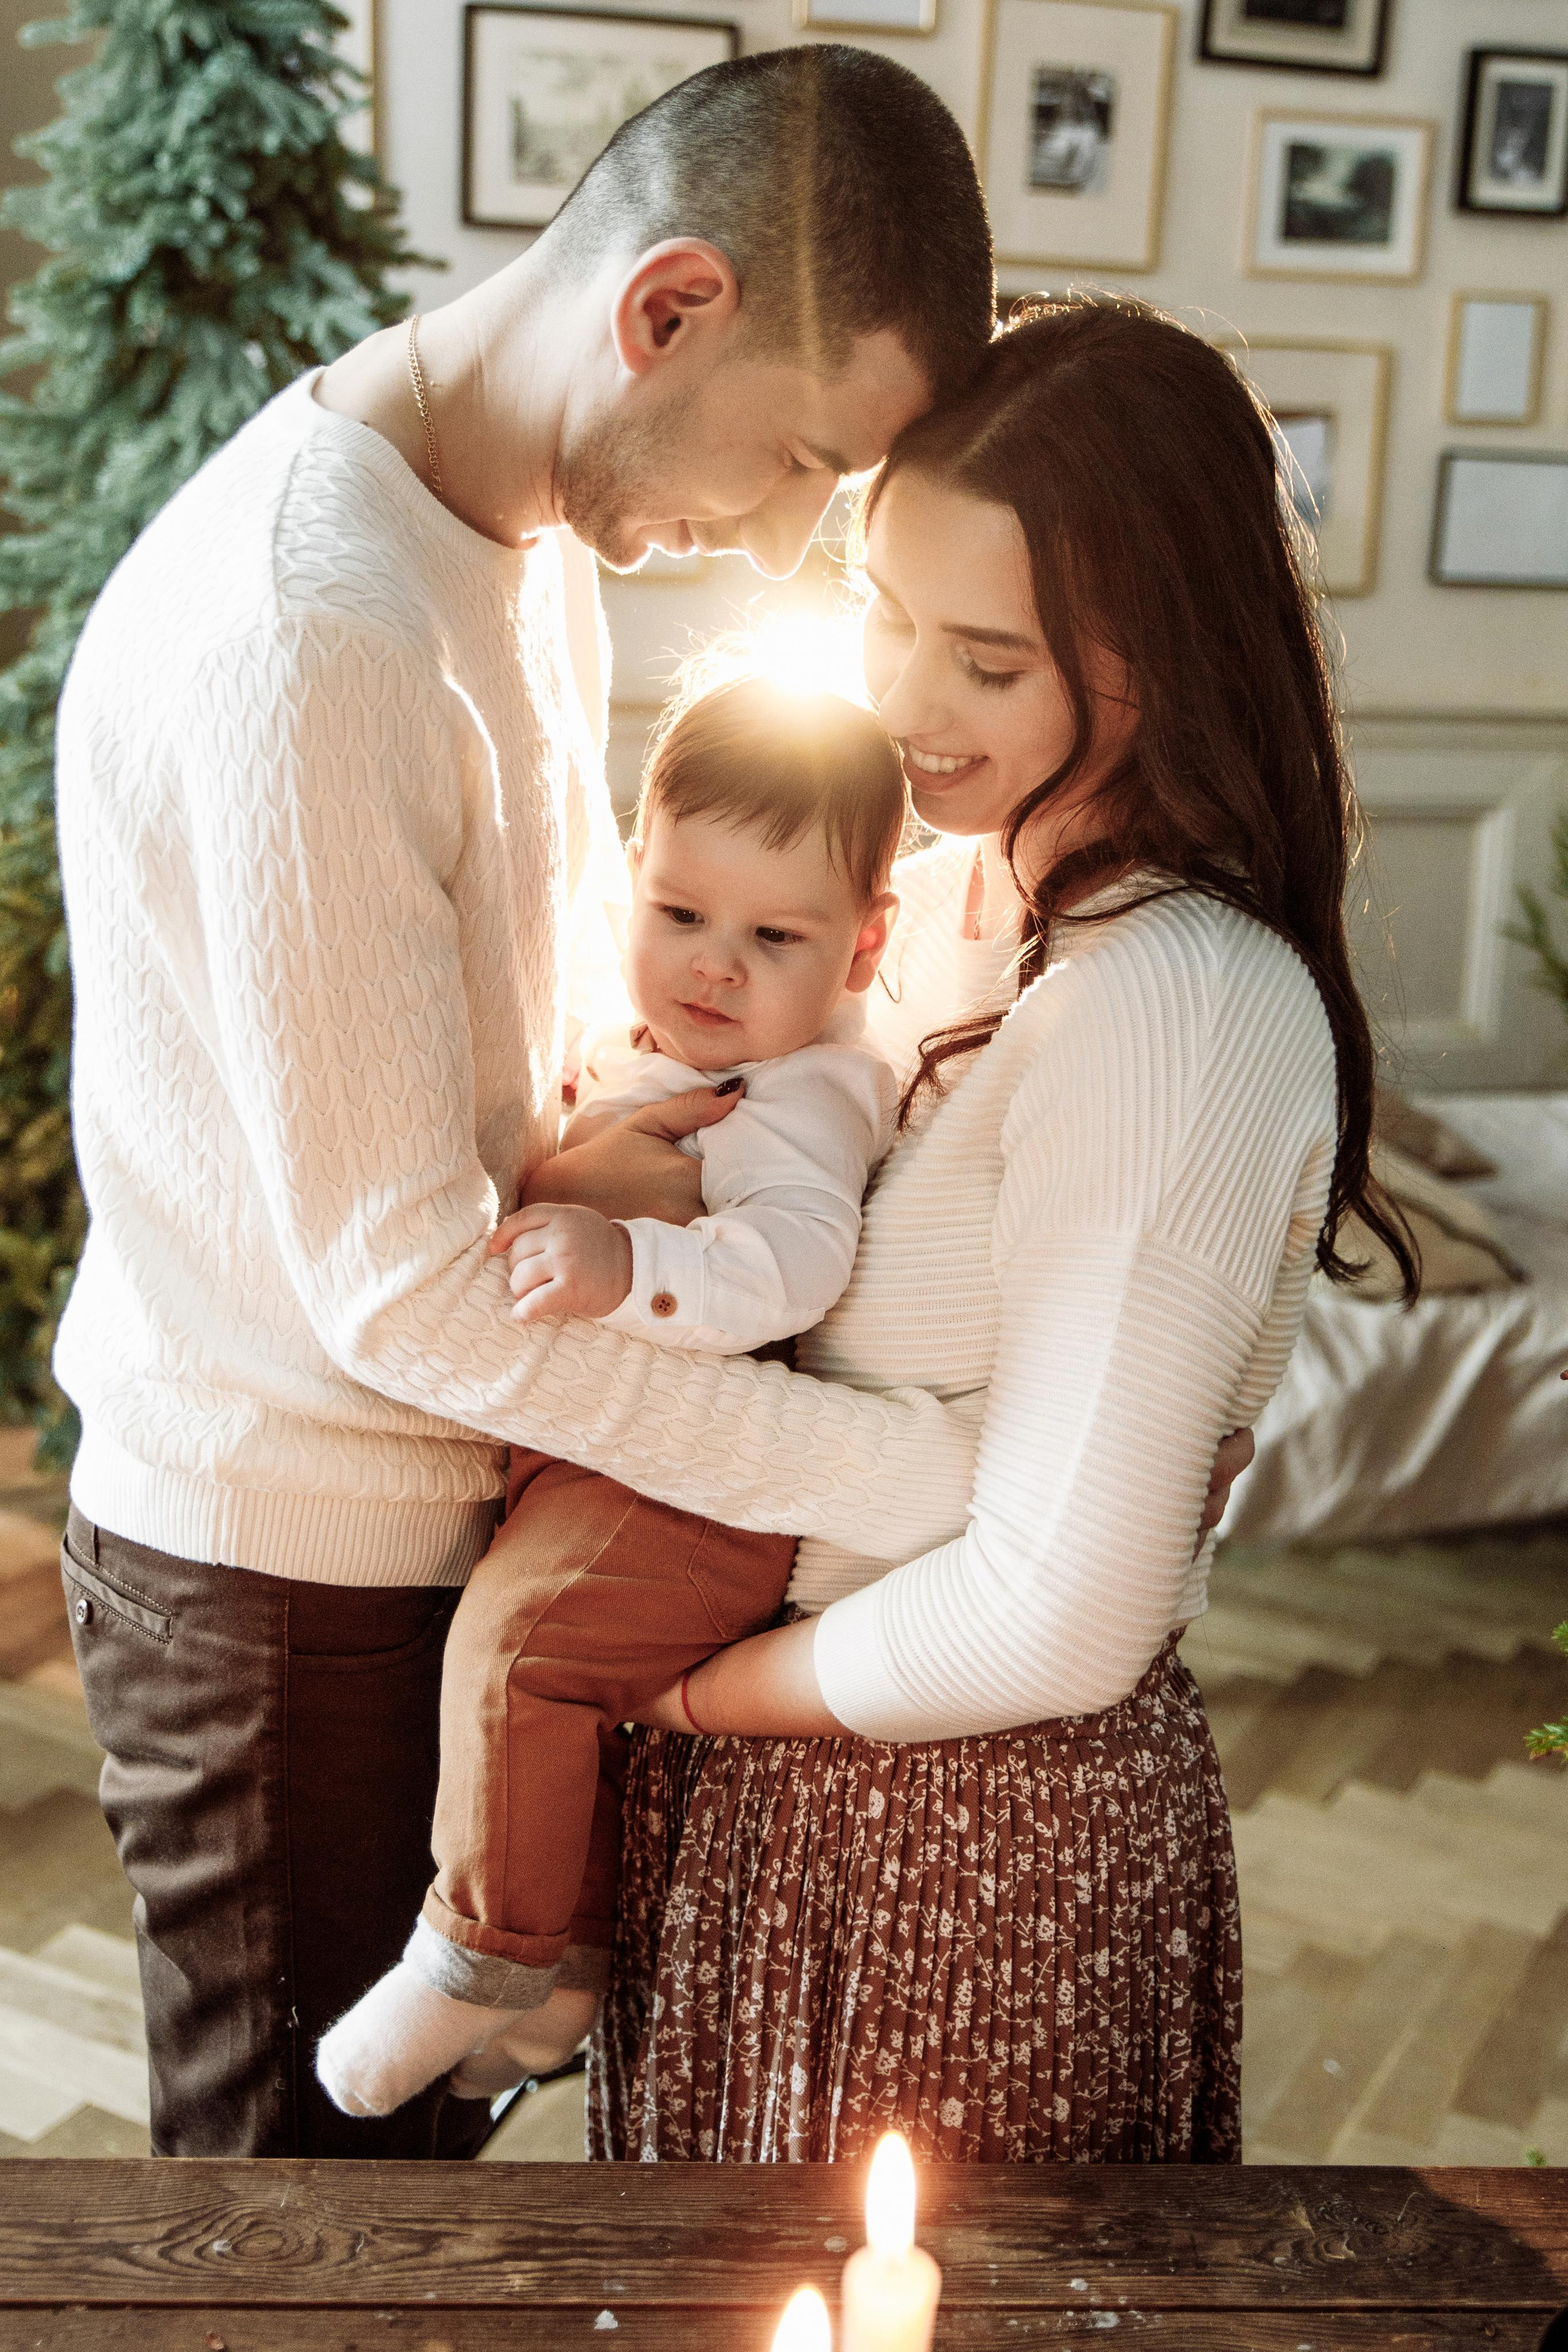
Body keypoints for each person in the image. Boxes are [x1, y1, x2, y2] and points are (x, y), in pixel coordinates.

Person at [50, 45, 994, 2160]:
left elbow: (495, 1062)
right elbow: (400, 1294)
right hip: (284, 1573)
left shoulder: (525, 545)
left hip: (422, 1527)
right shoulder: (317, 627)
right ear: (668, 309)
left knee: (401, 2192)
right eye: (799, 462)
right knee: (303, 2238)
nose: (781, 533)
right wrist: (899, 1473)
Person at [575, 294, 1419, 2164]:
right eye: (884, 613)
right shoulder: (972, 904)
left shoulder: (1176, 997)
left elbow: (1058, 1608)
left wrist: (689, 1694)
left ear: (1156, 665)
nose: (900, 703)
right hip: (827, 1801)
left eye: (984, 658)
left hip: (960, 1840)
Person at [314, 678, 907, 2119]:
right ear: (631, 883)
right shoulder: (666, 1043)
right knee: (553, 1699)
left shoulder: (800, 1094)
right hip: (599, 1466)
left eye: (775, 938)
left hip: (686, 1493)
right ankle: (564, 1975)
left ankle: (470, 1954)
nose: (714, 967)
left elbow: (788, 1269)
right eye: (680, 914)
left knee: (519, 1658)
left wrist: (620, 1253)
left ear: (863, 944)